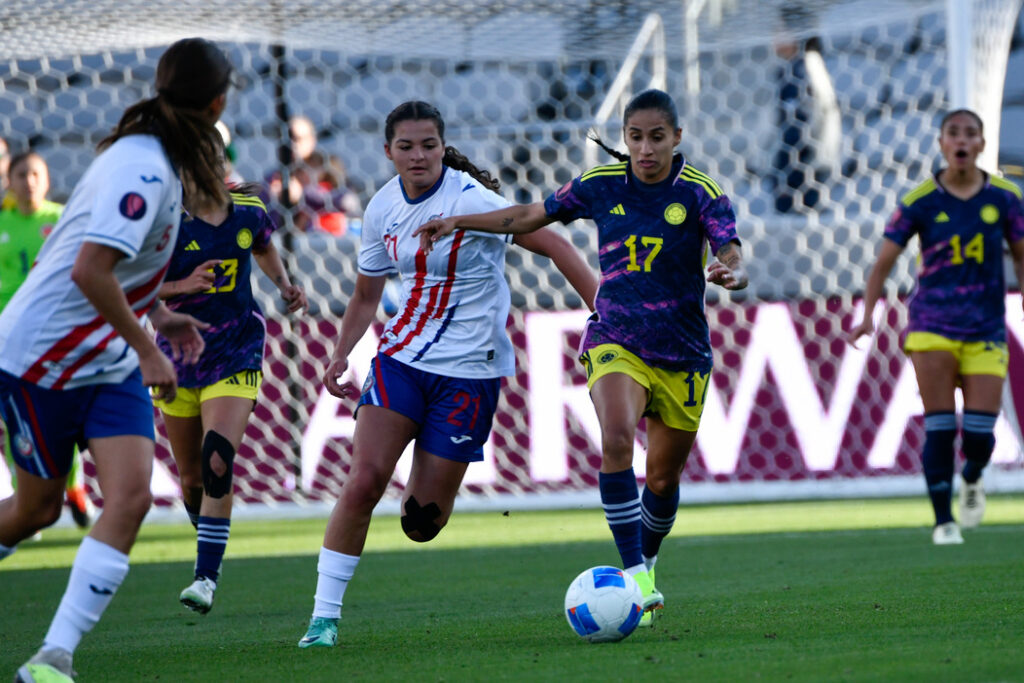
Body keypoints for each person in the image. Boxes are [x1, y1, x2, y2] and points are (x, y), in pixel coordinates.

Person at [416, 88, 748, 628]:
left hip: (683, 354)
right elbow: (530, 215)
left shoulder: (699, 192)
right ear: (625, 137)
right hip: (616, 338)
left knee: (662, 482)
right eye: (635, 136)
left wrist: (735, 272)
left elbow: (730, 248)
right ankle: (635, 575)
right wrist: (460, 221)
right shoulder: (599, 186)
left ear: (677, 139)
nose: (645, 148)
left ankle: (649, 558)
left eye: (656, 137)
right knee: (617, 438)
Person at [297, 100, 598, 648]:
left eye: (428, 145)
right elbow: (367, 294)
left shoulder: (472, 201)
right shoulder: (383, 207)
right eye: (406, 146)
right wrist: (340, 355)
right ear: (387, 151)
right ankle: (323, 619)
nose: (418, 155)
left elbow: (552, 240)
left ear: (443, 146)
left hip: (470, 373)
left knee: (423, 523)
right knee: (364, 479)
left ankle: (425, 485)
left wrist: (603, 315)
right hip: (402, 360)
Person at [0, 37, 232, 682]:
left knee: (128, 498)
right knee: (37, 509)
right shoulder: (145, 168)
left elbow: (121, 266)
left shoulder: (147, 155)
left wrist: (158, 313)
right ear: (217, 102)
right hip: (41, 356)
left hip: (103, 357)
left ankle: (53, 658)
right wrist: (146, 345)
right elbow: (89, 268)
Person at [848, 109, 1024, 545]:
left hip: (985, 326)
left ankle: (972, 476)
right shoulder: (920, 201)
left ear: (981, 144)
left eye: (970, 134)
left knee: (981, 435)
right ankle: (943, 521)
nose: (961, 141)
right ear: (942, 143)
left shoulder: (1004, 197)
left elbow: (1021, 255)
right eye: (953, 133)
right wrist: (868, 315)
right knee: (941, 425)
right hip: (932, 325)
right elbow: (883, 264)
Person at [155, 170, 307, 615]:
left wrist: (283, 284)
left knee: (217, 456)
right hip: (178, 356)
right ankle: (210, 541)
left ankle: (205, 578)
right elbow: (129, 285)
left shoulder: (249, 210)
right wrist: (184, 286)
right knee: (191, 479)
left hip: (237, 347)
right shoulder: (163, 222)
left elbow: (261, 245)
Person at [0, 151, 95, 530]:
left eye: (36, 173)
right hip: (8, 337)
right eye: (21, 174)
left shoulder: (61, 220)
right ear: (9, 181)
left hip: (54, 334)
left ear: (48, 179)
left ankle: (74, 486)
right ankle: (25, 497)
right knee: (13, 419)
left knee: (60, 413)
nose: (29, 181)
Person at [769, 23, 841, 213]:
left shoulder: (804, 67)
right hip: (799, 153)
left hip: (805, 155)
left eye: (779, 33)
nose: (774, 39)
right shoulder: (792, 68)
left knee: (803, 213)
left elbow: (815, 113)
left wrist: (784, 164)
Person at [265, 114, 362, 235]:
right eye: (285, 137)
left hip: (328, 237)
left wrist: (302, 194)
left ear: (312, 140)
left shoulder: (329, 168)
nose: (291, 144)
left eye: (296, 138)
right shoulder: (274, 178)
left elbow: (348, 201)